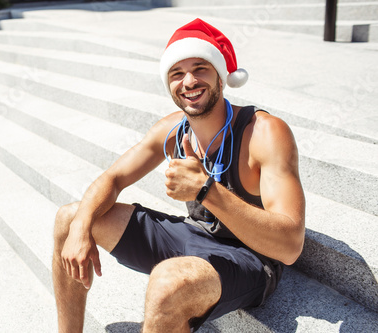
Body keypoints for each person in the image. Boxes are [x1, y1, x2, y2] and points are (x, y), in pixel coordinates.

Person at [52, 18, 305, 332]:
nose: (189, 82)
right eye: (177, 73)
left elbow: (290, 246)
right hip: (195, 236)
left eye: (200, 68)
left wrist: (205, 189)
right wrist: (80, 229)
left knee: (167, 283)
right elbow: (113, 178)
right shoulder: (173, 128)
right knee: (70, 219)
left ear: (221, 75)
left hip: (252, 259)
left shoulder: (264, 133)